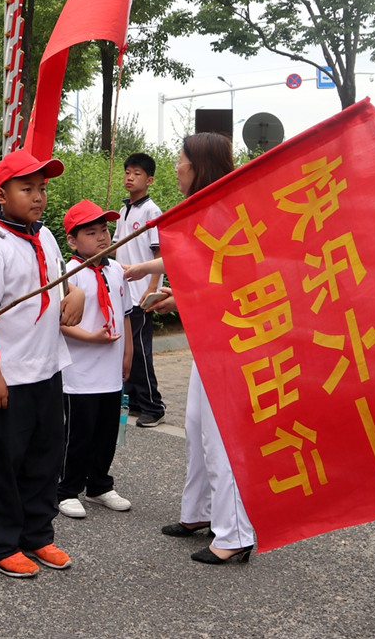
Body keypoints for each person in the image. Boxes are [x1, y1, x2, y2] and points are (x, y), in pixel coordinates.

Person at [128, 133, 256, 564]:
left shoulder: (226, 212)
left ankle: (236, 532)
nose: (177, 167)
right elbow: (199, 267)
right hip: (208, 335)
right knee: (198, 425)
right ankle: (200, 513)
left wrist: (154, 275)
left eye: (182, 160)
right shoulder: (207, 210)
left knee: (220, 433)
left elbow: (225, 278)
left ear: (200, 166)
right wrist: (174, 294)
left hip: (229, 340)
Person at [0, 150, 84, 578]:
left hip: (48, 368)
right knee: (2, 462)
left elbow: (60, 281)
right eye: (27, 188)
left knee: (44, 457)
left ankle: (38, 535)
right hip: (6, 375)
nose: (38, 197)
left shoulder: (46, 236)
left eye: (43, 189)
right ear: (0, 194)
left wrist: (78, 293)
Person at [56, 200, 133, 520]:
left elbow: (126, 314)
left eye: (105, 230)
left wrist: (128, 354)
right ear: (73, 240)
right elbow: (57, 324)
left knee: (106, 432)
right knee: (79, 433)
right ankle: (67, 489)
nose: (102, 237)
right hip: (79, 373)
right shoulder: (67, 275)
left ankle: (100, 484)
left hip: (110, 370)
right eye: (92, 232)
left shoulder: (116, 270)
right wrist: (92, 338)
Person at [115, 152, 165, 426]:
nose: (130, 177)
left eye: (136, 173)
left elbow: (158, 251)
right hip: (124, 292)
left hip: (141, 293)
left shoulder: (151, 211)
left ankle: (153, 406)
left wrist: (152, 287)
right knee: (128, 350)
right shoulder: (124, 211)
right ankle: (134, 400)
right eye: (127, 172)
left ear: (150, 180)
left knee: (141, 352)